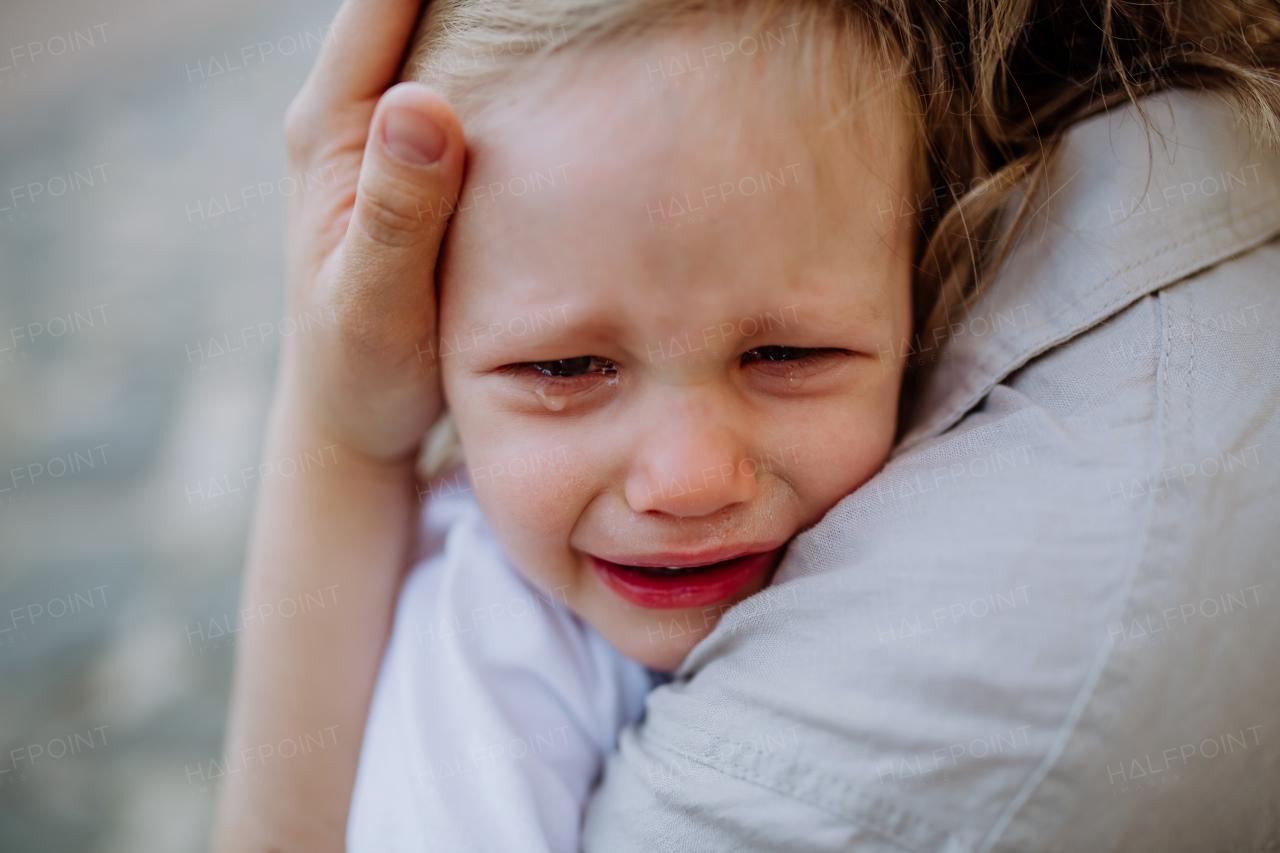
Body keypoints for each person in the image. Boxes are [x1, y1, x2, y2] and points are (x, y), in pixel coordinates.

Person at [212, 0, 1280, 850]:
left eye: (785, 355)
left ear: (930, 298)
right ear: (430, 351)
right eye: (562, 368)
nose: (685, 478)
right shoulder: (488, 682)